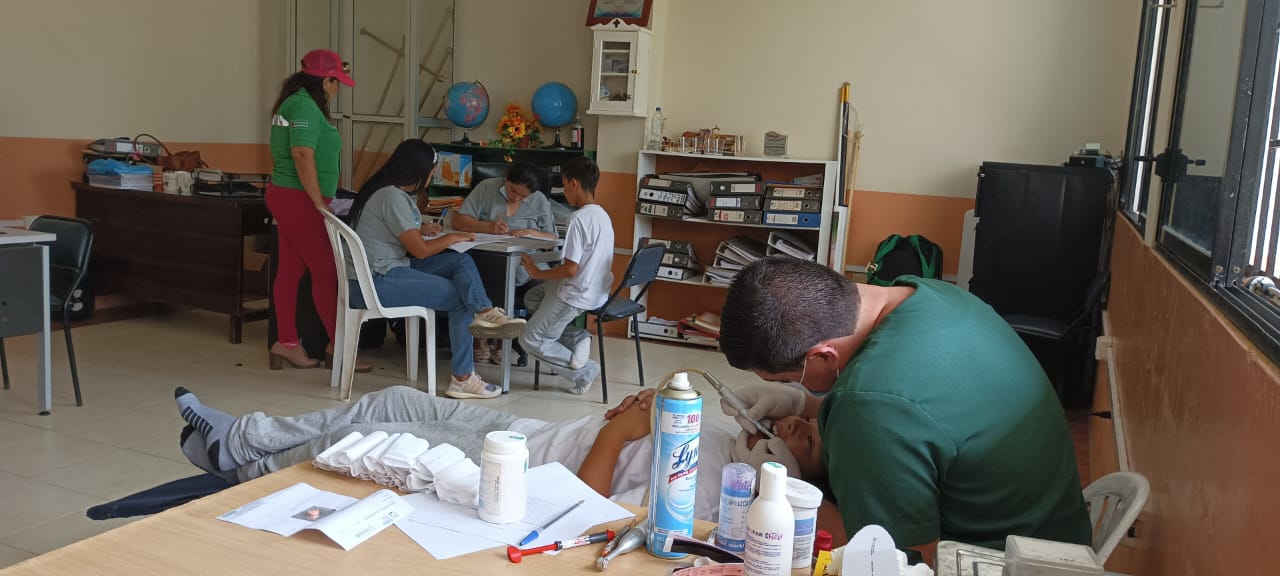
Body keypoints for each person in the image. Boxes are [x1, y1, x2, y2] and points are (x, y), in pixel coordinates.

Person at [717, 257, 1092, 560]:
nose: (792, 388)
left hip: (1011, 563)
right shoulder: (929, 294)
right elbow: (920, 406)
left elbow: (890, 558)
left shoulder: (869, 410)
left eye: (788, 380)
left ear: (824, 355)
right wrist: (806, 402)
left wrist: (780, 495)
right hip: (1060, 533)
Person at [172, 385, 823, 523]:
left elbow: (586, 513)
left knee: (361, 442)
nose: (795, 421)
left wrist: (619, 434)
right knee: (394, 398)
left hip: (524, 469)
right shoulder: (725, 438)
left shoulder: (712, 489)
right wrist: (634, 410)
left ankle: (240, 464)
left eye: (807, 437)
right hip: (532, 429)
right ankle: (242, 436)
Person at [345, 139, 525, 400]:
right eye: (431, 173)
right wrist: (451, 237)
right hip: (376, 281)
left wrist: (421, 229)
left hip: (386, 270)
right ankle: (463, 378)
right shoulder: (391, 196)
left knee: (460, 261)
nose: (431, 178)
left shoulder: (384, 190)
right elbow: (420, 251)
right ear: (419, 171)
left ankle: (485, 312)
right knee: (460, 296)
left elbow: (392, 231)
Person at [266, 49, 367, 372]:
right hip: (298, 198)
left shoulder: (297, 102)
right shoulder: (304, 106)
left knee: (291, 270)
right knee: (326, 271)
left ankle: (287, 343)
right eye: (336, 82)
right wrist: (319, 203)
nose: (337, 89)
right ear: (325, 82)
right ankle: (340, 345)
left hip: (294, 196)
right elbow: (301, 154)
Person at [516, 157, 612, 395]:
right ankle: (577, 337)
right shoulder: (602, 215)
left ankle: (585, 372)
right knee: (532, 298)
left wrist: (536, 271)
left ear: (574, 184)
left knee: (530, 339)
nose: (564, 191)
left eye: (564, 185)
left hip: (575, 294)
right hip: (596, 290)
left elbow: (570, 270)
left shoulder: (578, 219)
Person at [450, 162, 558, 366]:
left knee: (538, 285)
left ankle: (502, 340)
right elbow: (458, 221)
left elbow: (553, 237)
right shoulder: (486, 188)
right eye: (512, 190)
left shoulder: (539, 200)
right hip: (486, 261)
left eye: (523, 196)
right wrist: (488, 227)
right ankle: (482, 337)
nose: (516, 198)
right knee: (484, 273)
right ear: (506, 179)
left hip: (525, 266)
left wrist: (533, 233)